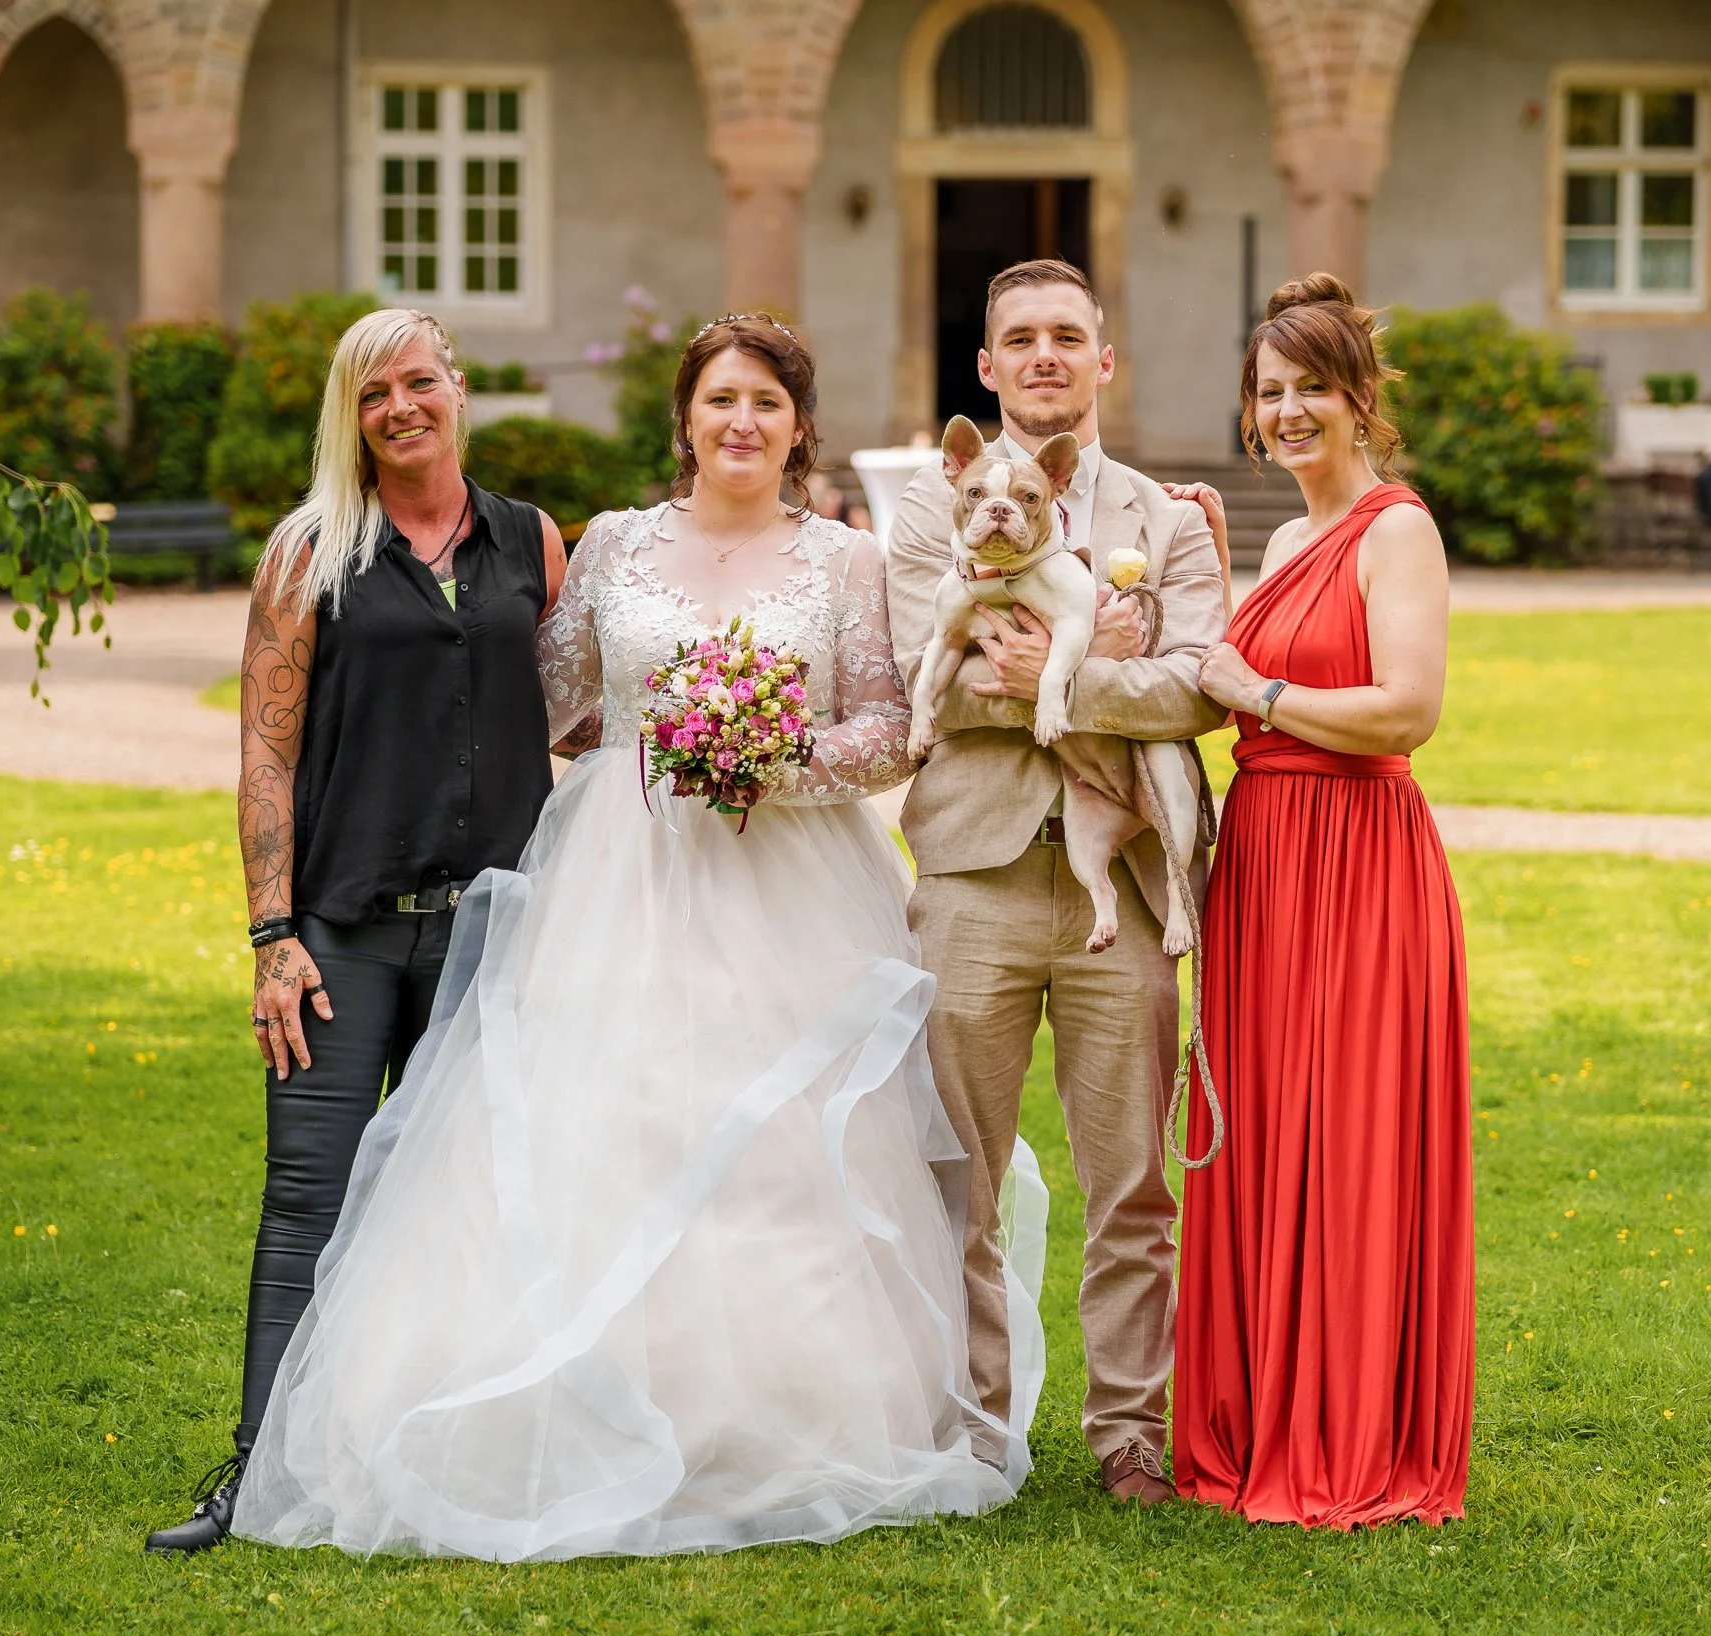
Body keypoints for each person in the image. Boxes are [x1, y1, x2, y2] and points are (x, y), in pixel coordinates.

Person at [226, 314, 1046, 1561]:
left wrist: (769, 755)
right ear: (685, 418)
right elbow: (546, 700)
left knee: (779, 1150)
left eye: (766, 403)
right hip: (619, 874)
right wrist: (655, 743)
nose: (741, 422)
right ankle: (545, 1407)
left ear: (798, 427)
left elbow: (889, 728)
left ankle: (771, 1418)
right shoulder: (607, 544)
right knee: (601, 1131)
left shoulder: (845, 560)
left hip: (793, 886)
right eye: (720, 399)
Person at [146, 309, 565, 1555]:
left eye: (418, 381)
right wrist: (271, 932)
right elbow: (263, 752)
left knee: (472, 1202)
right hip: (340, 934)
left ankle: (451, 1465)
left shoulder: (532, 541)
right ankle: (255, 1470)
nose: (400, 407)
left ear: (457, 389)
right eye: (373, 392)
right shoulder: (310, 550)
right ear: (352, 414)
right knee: (306, 1201)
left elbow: (577, 709)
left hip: (491, 934)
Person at [886, 259, 1229, 1507]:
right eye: (1020, 337)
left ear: (1102, 362)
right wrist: (1093, 668)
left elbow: (1200, 683)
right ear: (986, 365)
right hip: (970, 874)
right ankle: (971, 1430)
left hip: (1122, 887)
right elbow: (924, 674)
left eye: (1067, 337)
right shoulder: (927, 508)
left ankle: (1128, 1432)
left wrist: (1049, 675)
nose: (1044, 355)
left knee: (1132, 1180)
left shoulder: (1166, 519)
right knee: (955, 1178)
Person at [1175, 272, 1474, 1528]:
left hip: (1356, 863)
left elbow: (1405, 709)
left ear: (1360, 398)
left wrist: (1254, 692)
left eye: (1311, 388)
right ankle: (1261, 1413)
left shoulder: (1396, 528)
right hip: (1264, 861)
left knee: (1345, 1137)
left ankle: (1348, 1424)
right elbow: (1251, 673)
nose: (1289, 410)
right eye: (1269, 392)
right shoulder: (1287, 542)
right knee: (1265, 1129)